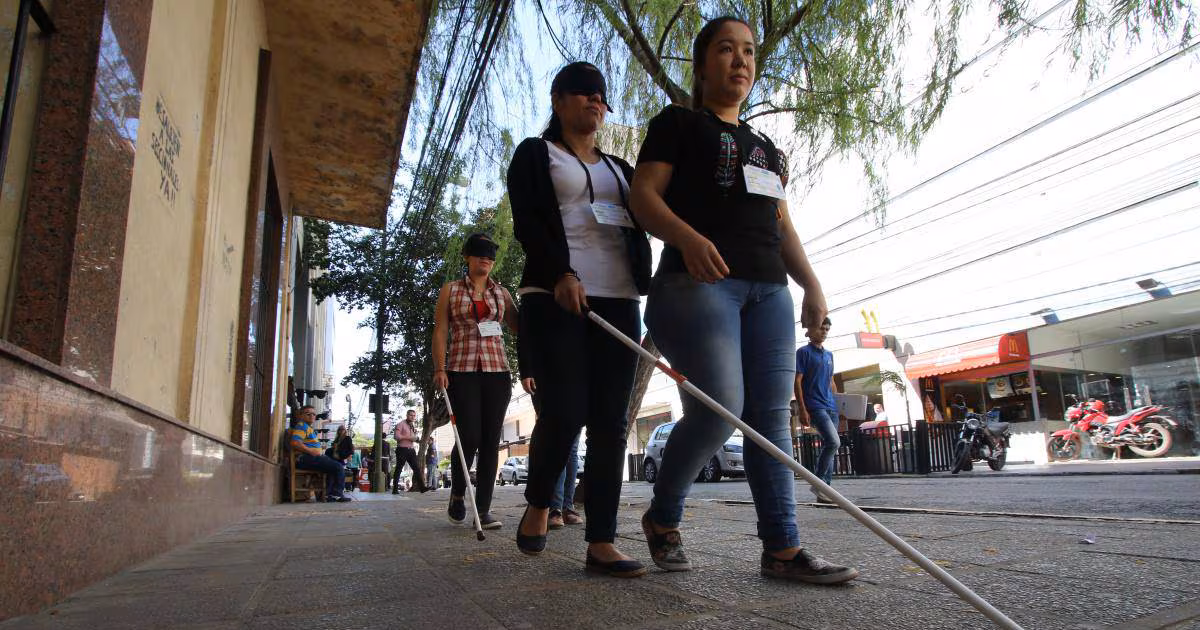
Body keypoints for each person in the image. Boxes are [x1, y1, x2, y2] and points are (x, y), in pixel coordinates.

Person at [628, 17, 857, 584]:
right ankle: (663, 516)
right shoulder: (677, 124)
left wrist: (812, 285)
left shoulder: (768, 149)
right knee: (720, 405)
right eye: (726, 49)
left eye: (750, 52)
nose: (741, 60)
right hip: (697, 283)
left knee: (770, 422)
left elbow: (783, 227)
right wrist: (686, 237)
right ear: (702, 64)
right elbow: (643, 196)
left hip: (770, 291)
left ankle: (782, 549)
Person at [508, 61, 651, 577]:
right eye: (585, 93)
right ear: (559, 99)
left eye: (602, 96)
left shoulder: (618, 168)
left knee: (611, 424)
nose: (595, 102)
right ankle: (541, 500)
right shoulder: (536, 153)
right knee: (565, 409)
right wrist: (560, 272)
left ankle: (602, 541)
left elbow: (653, 213)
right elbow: (528, 220)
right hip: (555, 293)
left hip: (617, 299)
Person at [432, 233, 519, 530]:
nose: (486, 258)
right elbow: (441, 331)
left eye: (491, 255)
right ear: (468, 257)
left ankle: (483, 510)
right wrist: (439, 368)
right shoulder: (451, 290)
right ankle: (458, 492)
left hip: (497, 371)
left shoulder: (502, 294)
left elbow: (520, 328)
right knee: (468, 436)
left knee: (491, 440)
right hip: (461, 369)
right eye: (480, 253)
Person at [796, 318, 839, 505]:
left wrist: (841, 402)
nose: (824, 332)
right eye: (821, 328)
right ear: (811, 329)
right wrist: (802, 409)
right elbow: (797, 382)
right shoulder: (803, 353)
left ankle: (824, 492)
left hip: (831, 406)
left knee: (830, 446)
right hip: (815, 406)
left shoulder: (829, 355)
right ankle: (819, 483)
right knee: (833, 442)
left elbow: (831, 381)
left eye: (827, 329)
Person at [290, 406, 351, 502]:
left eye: (314, 414)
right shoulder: (302, 426)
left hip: (311, 458)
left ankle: (328, 495)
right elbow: (295, 443)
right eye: (308, 414)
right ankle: (336, 494)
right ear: (300, 415)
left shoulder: (309, 428)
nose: (312, 416)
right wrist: (311, 451)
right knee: (338, 467)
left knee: (332, 468)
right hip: (305, 458)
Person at [393, 409, 429, 493]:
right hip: (402, 449)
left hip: (411, 450)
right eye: (411, 415)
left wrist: (416, 439)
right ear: (407, 415)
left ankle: (422, 488)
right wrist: (409, 437)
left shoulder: (411, 425)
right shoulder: (400, 424)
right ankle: (395, 489)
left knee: (417, 469)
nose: (412, 417)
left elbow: (412, 437)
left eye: (414, 416)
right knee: (399, 469)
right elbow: (396, 437)